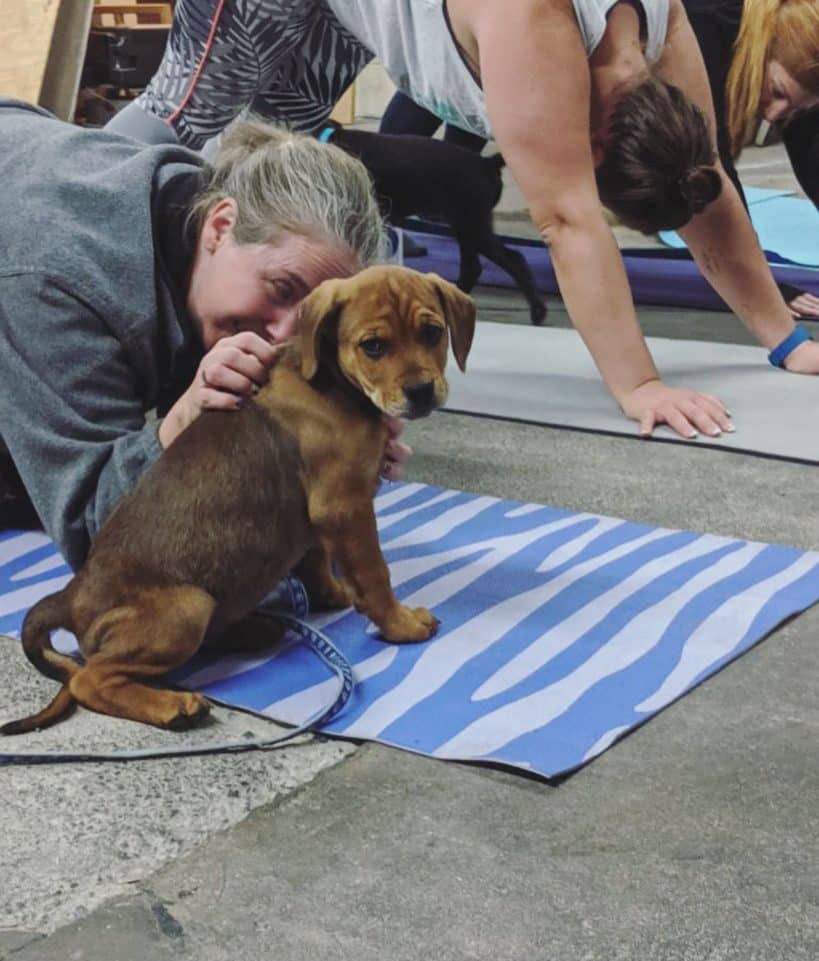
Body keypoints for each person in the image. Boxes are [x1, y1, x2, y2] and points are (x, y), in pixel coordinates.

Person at [105, 0, 819, 443]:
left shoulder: (660, 23)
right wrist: (640, 387)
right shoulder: (534, 22)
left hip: (342, 13)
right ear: (593, 143)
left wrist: (783, 339)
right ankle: (70, 216)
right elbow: (568, 221)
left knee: (270, 159)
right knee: (183, 123)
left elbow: (710, 184)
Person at [0, 100, 408, 569]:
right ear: (220, 226)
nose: (279, 337)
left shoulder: (207, 205)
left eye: (312, 320)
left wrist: (333, 462)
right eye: (281, 288)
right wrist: (180, 424)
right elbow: (100, 538)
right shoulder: (59, 277)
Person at [682, 0, 819, 317]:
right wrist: (763, 287)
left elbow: (811, 146)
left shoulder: (788, 29)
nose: (771, 116)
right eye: (777, 92)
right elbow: (710, 167)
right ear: (763, 50)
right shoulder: (707, 27)